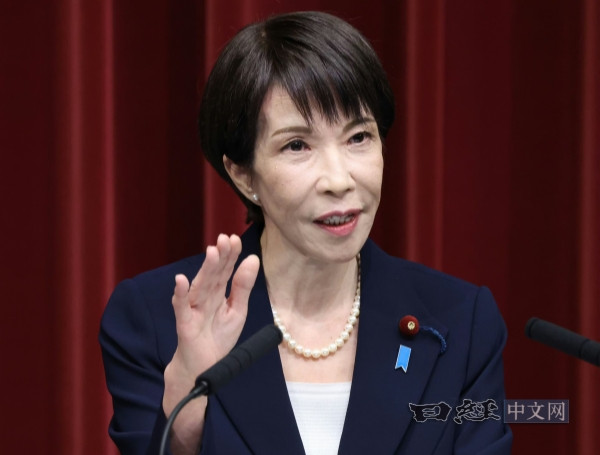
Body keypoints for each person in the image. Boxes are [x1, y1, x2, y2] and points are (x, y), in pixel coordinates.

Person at [100, 11, 512, 455]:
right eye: (297, 145)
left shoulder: (459, 323)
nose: (338, 179)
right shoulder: (155, 321)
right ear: (243, 175)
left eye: (358, 137)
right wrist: (185, 412)